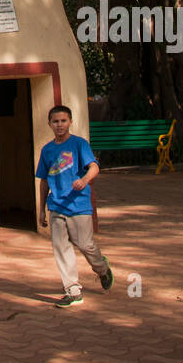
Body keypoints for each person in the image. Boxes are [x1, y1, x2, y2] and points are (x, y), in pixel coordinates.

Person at [36, 104, 114, 308]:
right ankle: (72, 289)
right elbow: (43, 181)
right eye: (55, 121)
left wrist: (85, 180)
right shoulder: (47, 150)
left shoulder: (79, 144)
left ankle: (102, 268)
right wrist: (41, 210)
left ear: (70, 122)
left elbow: (94, 167)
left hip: (78, 204)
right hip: (56, 206)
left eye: (63, 121)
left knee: (85, 244)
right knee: (61, 248)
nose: (59, 125)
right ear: (49, 124)